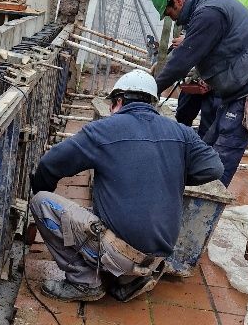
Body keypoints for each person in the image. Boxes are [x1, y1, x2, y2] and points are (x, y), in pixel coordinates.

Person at [29, 70, 224, 303]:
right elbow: (214, 168)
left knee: (42, 203)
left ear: (118, 102)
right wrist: (173, 175)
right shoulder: (180, 131)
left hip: (121, 254)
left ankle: (84, 283)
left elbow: (50, 165)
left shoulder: (104, 130)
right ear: (153, 103)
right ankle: (130, 278)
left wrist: (41, 192)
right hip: (158, 257)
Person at [150, 0, 248, 185]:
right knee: (208, 149)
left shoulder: (209, 13)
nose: (171, 18)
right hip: (240, 88)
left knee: (221, 160)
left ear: (177, 0)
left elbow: (184, 57)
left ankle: (204, 211)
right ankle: (195, 201)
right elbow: (190, 52)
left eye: (169, 12)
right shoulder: (205, 8)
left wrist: (150, 88)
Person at [176, 0, 248, 129]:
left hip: (221, 70)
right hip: (199, 67)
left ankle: (203, 155)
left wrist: (188, 40)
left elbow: (225, 32)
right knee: (182, 115)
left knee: (210, 124)